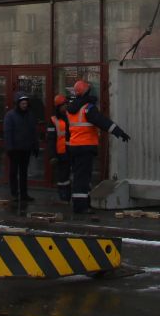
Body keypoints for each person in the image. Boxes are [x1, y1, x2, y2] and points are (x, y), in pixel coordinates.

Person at [63, 78, 128, 219]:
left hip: (75, 147)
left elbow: (69, 131)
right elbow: (102, 122)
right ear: (86, 92)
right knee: (83, 178)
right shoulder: (87, 108)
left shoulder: (71, 109)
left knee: (80, 176)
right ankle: (81, 207)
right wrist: (119, 132)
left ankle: (81, 203)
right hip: (85, 147)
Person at [1, 93, 39, 213]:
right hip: (15, 149)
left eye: (26, 103)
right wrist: (9, 148)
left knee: (23, 172)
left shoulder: (30, 115)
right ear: (17, 104)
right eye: (22, 103)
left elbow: (34, 132)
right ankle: (14, 193)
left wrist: (35, 146)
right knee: (13, 172)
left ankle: (24, 193)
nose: (24, 105)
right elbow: (8, 132)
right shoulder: (10, 116)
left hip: (26, 148)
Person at [47, 93, 72, 205]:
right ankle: (64, 196)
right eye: (63, 105)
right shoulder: (53, 120)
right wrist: (52, 155)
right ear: (58, 107)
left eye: (66, 104)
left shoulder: (70, 117)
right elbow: (51, 139)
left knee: (68, 175)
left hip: (71, 150)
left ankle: (68, 196)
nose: (65, 107)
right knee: (62, 176)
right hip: (60, 152)